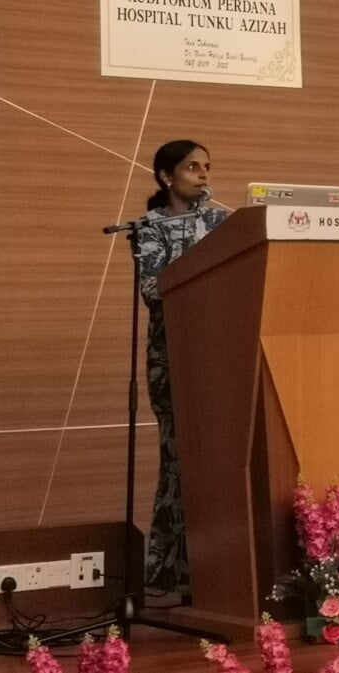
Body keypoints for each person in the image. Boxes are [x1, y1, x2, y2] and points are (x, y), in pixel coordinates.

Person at [136, 139, 229, 597]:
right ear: (166, 177)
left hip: (221, 354)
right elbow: (154, 288)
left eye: (207, 166)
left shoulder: (224, 224)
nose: (203, 174)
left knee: (219, 460)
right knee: (180, 460)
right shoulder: (149, 228)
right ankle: (174, 571)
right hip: (172, 357)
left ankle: (222, 567)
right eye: (192, 167)